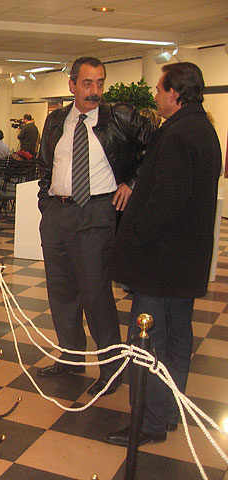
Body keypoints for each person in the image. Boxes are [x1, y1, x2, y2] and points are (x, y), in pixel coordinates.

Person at [105, 62, 221, 447]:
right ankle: (168, 413)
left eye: (158, 89)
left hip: (161, 260)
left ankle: (149, 421)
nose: (154, 95)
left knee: (149, 340)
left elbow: (165, 202)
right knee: (176, 338)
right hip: (183, 263)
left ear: (175, 93)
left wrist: (132, 235)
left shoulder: (177, 134)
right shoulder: (204, 129)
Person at [36, 56, 154, 396]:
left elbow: (155, 149)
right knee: (61, 292)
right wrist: (46, 202)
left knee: (96, 293)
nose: (95, 90)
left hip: (96, 211)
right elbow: (46, 165)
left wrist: (132, 181)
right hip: (58, 213)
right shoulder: (56, 120)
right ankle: (70, 357)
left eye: (100, 82)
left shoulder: (119, 117)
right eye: (87, 83)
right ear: (72, 85)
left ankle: (111, 369)